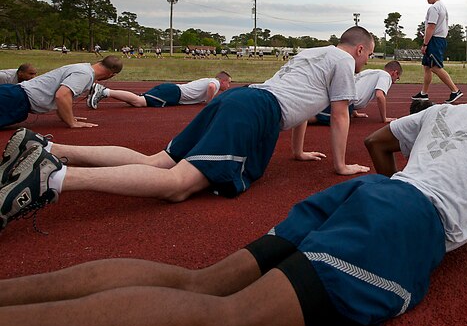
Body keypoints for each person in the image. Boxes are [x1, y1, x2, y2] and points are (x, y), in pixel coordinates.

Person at [0, 66, 467, 326]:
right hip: (405, 218)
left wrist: (387, 186)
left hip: (366, 194)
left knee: (202, 282)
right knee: (228, 318)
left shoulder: (443, 112)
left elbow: (381, 141)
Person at [0, 27, 375, 229]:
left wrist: (296, 152)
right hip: (255, 112)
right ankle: (51, 179)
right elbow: (340, 114)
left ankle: (47, 148)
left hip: (242, 100)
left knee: (157, 161)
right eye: (369, 55)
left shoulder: (311, 53)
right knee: (178, 187)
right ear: (359, 49)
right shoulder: (344, 61)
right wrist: (340, 166)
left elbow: (300, 103)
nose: (366, 62)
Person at [0, 56, 123, 130]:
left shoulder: (82, 68)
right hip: (16, 100)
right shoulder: (85, 74)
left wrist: (67, 116)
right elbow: (62, 95)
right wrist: (71, 122)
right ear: (111, 74)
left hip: (15, 97)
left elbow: (61, 95)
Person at [411, 0, 463, 104]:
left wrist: (425, 44)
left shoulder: (434, 8)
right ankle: (424, 93)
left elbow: (431, 27)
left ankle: (455, 90)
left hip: (435, 40)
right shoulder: (442, 6)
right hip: (438, 39)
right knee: (427, 66)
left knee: (435, 67)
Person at [311, 61, 403, 124]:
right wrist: (384, 118)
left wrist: (354, 112)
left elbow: (354, 84)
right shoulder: (386, 76)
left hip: (341, 95)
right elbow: (379, 95)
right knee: (319, 118)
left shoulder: (371, 72)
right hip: (345, 101)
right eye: (397, 78)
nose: (395, 81)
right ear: (394, 73)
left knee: (316, 112)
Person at [86, 72, 232, 109]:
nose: (229, 86)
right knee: (139, 101)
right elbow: (212, 87)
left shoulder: (209, 80)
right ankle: (104, 91)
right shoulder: (215, 82)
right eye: (229, 83)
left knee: (138, 101)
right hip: (173, 93)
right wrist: (209, 101)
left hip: (172, 90)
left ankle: (104, 92)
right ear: (223, 80)